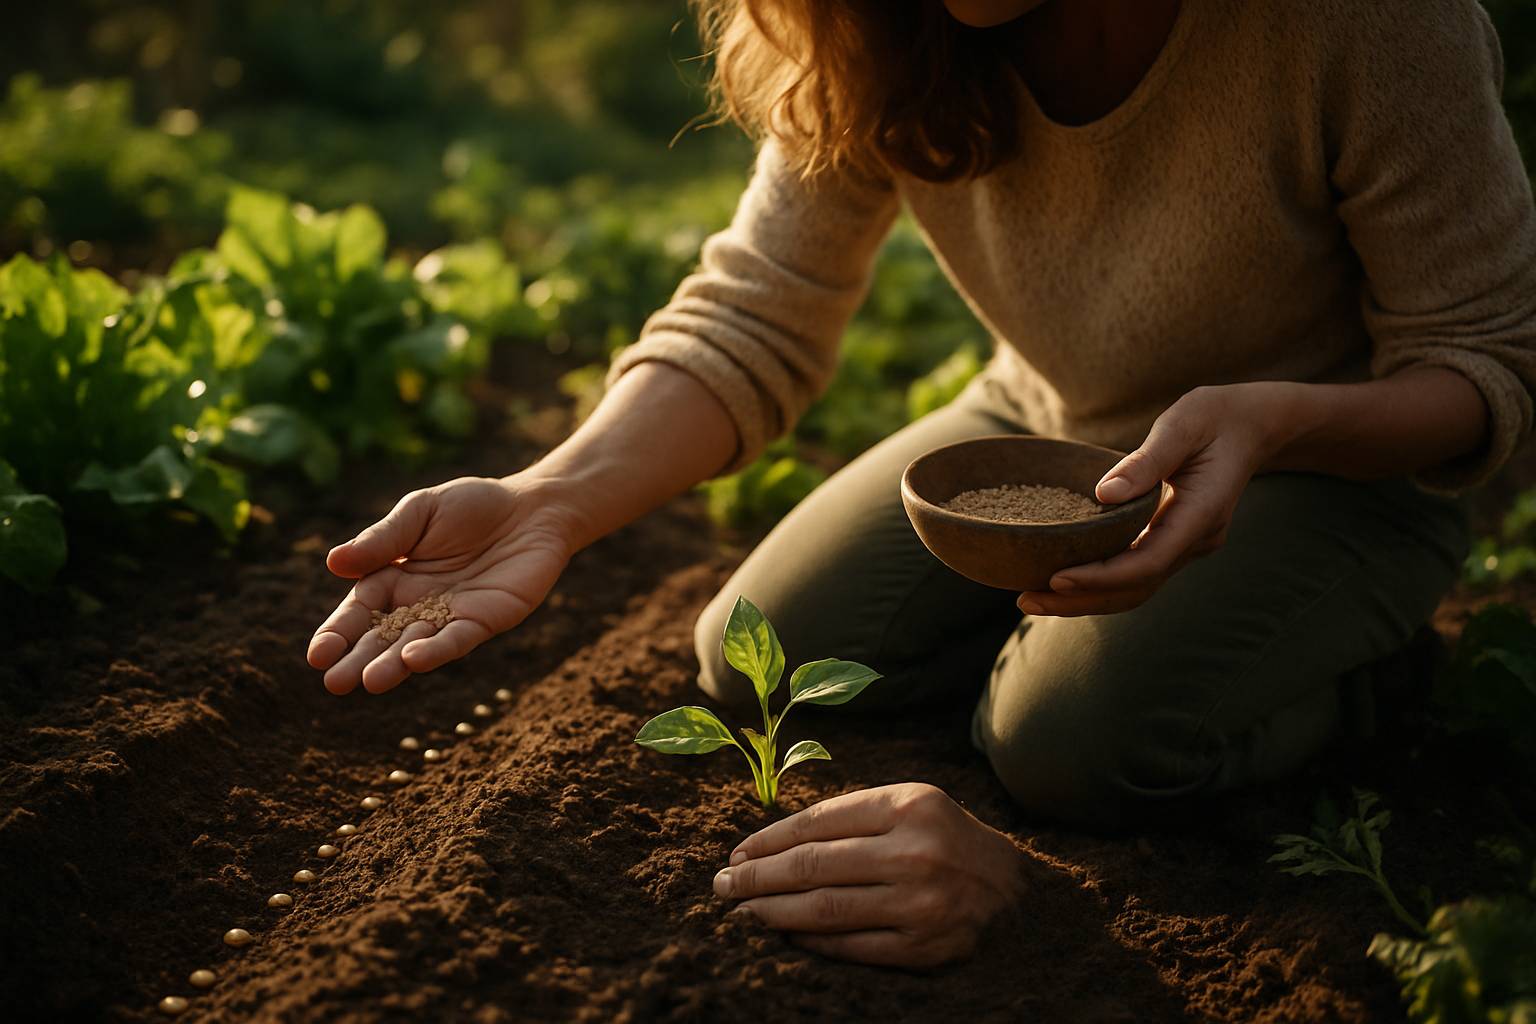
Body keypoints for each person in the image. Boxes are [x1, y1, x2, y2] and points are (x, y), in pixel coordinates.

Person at [308, 0, 1536, 968]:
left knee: (1066, 744)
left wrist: (1270, 423)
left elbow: (1487, 360)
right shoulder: (870, 25)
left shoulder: (1367, 21)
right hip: (1039, 425)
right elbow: (757, 309)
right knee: (757, 652)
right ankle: (1087, 639)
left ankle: (1357, 673)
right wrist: (552, 499)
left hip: (1328, 461)